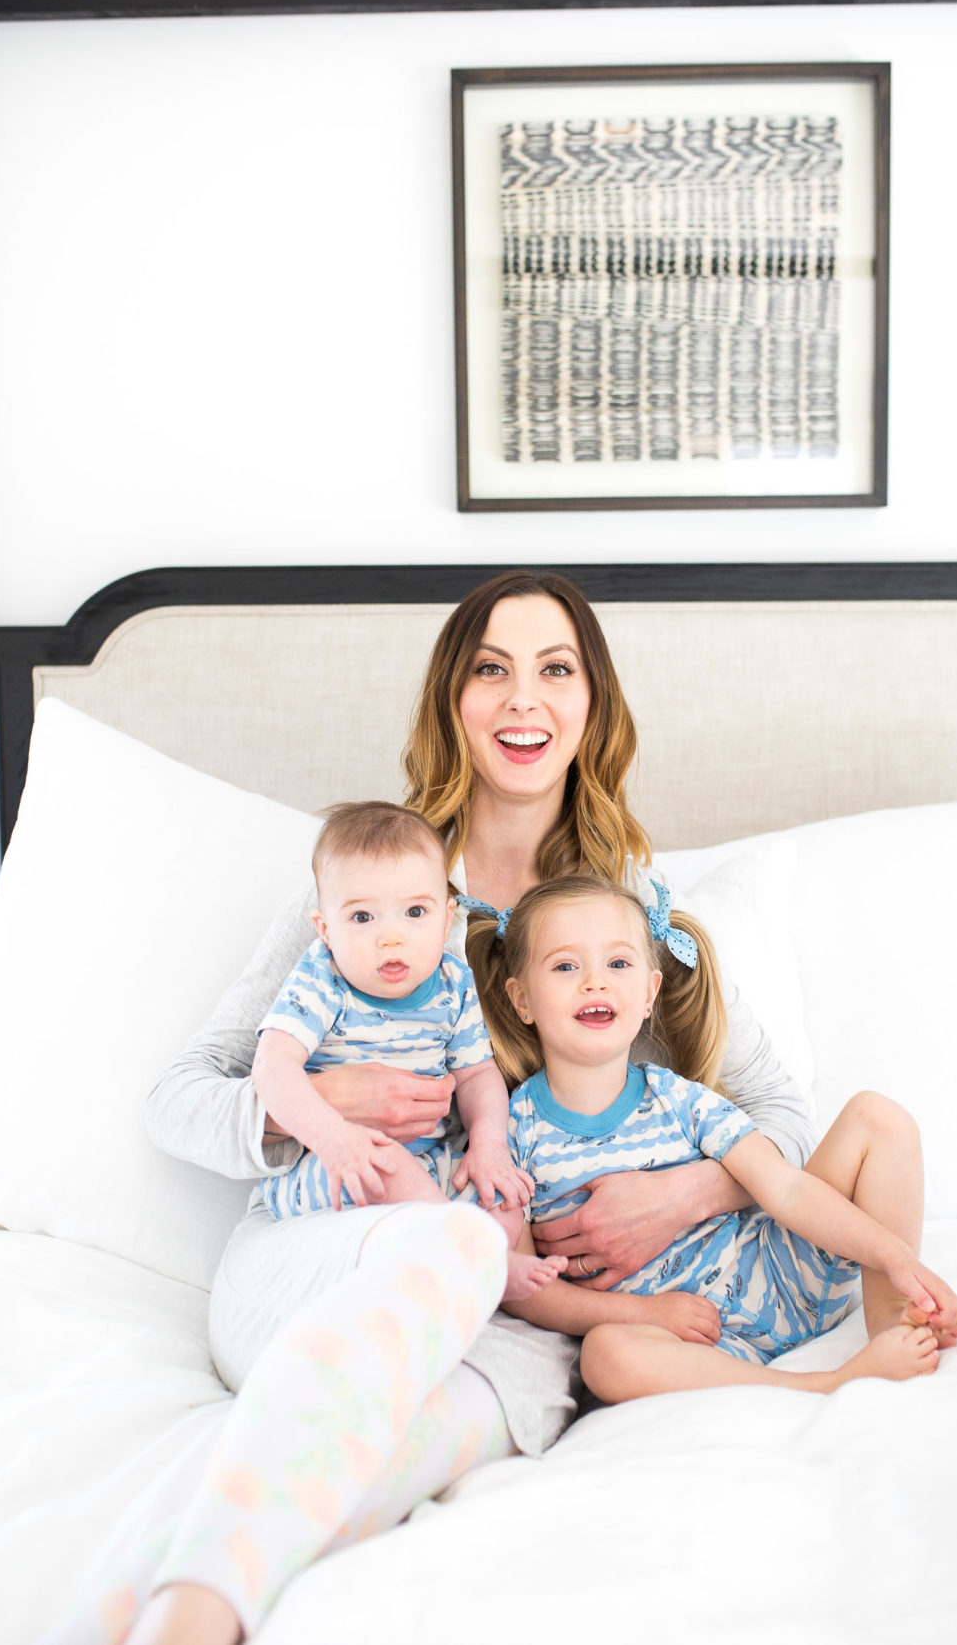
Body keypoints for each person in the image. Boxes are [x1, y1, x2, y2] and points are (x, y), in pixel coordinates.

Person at [95, 571, 819, 1645]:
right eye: (490, 670)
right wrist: (309, 1108)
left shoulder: (624, 914)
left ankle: (172, 1603)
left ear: (592, 706)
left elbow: (780, 1111)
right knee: (449, 1250)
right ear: (451, 700)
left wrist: (684, 1192)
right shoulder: (374, 883)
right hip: (322, 1265)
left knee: (384, 1451)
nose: (522, 699)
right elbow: (177, 1099)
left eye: (554, 669)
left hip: (516, 1334)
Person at [469, 874, 957, 1396]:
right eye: (566, 966)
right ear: (521, 999)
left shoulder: (678, 1098)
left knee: (877, 1117)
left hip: (781, 1270)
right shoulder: (510, 1132)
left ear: (648, 993)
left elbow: (788, 1188)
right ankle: (825, 1384)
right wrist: (646, 1313)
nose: (595, 981)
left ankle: (898, 1318)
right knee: (604, 1356)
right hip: (692, 1337)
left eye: (618, 964)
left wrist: (897, 1259)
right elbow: (526, 1290)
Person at [253, 798, 561, 1301]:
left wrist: (488, 1146)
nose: (390, 937)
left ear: (446, 920)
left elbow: (479, 1075)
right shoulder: (323, 980)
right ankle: (477, 1262)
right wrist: (333, 1138)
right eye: (363, 917)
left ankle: (464, 1261)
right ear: (325, 931)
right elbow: (272, 1067)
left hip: (428, 1165)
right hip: (337, 1170)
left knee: (504, 1198)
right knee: (390, 1166)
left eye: (415, 912)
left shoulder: (452, 981)